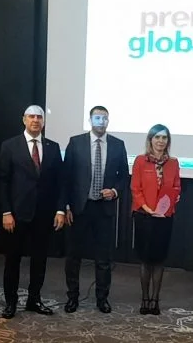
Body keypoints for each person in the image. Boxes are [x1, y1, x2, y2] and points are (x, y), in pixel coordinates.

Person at [60, 106, 129, 314]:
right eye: (97, 118)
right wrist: (66, 206)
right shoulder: (76, 142)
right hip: (79, 208)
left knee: (103, 259)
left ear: (108, 121)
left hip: (104, 209)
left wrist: (115, 191)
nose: (101, 121)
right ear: (90, 120)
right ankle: (72, 297)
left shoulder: (118, 145)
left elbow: (124, 177)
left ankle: (102, 299)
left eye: (104, 118)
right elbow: (66, 177)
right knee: (73, 257)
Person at [0, 105, 64, 319]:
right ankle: (11, 303)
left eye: (39, 117)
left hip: (44, 215)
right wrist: (6, 212)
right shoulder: (10, 146)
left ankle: (34, 299)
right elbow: (2, 181)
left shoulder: (53, 147)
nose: (35, 120)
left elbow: (60, 182)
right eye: (31, 116)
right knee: (13, 260)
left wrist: (60, 210)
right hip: (16, 215)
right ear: (24, 120)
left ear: (43, 121)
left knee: (39, 260)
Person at [130, 124, 180, 315]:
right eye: (157, 137)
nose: (160, 141)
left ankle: (155, 299)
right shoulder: (140, 161)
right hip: (144, 216)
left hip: (164, 217)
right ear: (150, 140)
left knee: (159, 259)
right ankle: (144, 299)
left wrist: (174, 198)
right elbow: (135, 188)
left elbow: (177, 186)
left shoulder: (173, 163)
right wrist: (147, 208)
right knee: (145, 260)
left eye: (164, 138)